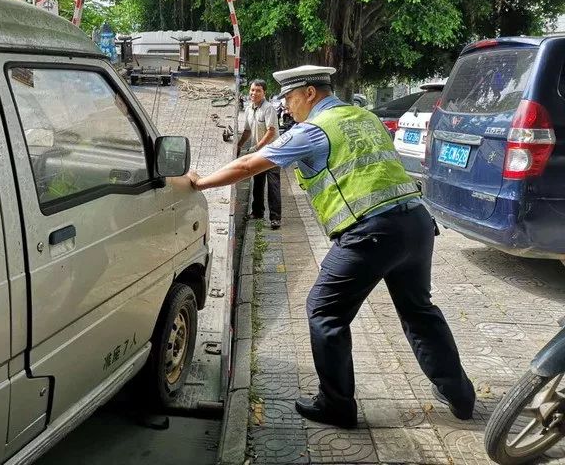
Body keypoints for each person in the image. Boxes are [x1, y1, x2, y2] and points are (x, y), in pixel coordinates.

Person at [187, 65, 475, 428]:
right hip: (415, 223)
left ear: (309, 93)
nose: (287, 109)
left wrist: (199, 183)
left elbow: (247, 165)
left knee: (324, 311)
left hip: (371, 232)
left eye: (289, 99)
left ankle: (336, 405)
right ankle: (460, 395)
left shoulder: (313, 130)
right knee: (419, 310)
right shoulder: (365, 116)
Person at [238, 79, 281, 229]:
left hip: (273, 152)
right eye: (252, 90)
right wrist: (239, 145)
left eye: (258, 91)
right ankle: (257, 212)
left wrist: (257, 146)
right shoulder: (249, 109)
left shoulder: (268, 108)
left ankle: (275, 218)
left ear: (264, 93)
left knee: (273, 184)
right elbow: (247, 130)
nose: (254, 93)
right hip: (258, 153)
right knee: (257, 182)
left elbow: (271, 131)